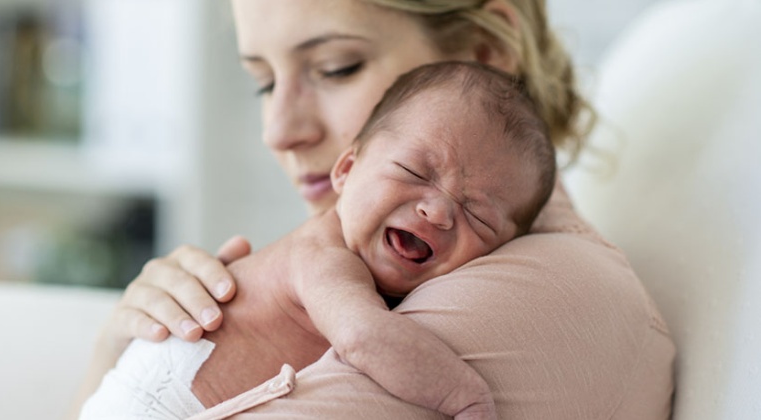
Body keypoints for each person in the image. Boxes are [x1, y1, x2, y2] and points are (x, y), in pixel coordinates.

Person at [71, 1, 676, 418]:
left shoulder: (550, 293)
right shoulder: (345, 254)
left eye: (336, 67)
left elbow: (372, 342)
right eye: (263, 81)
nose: (277, 130)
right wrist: (121, 345)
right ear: (349, 166)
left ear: (484, 50)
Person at [79, 61, 554, 420]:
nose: (438, 210)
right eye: (414, 172)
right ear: (346, 171)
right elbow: (362, 336)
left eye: (478, 215)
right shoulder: (322, 255)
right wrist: (467, 399)